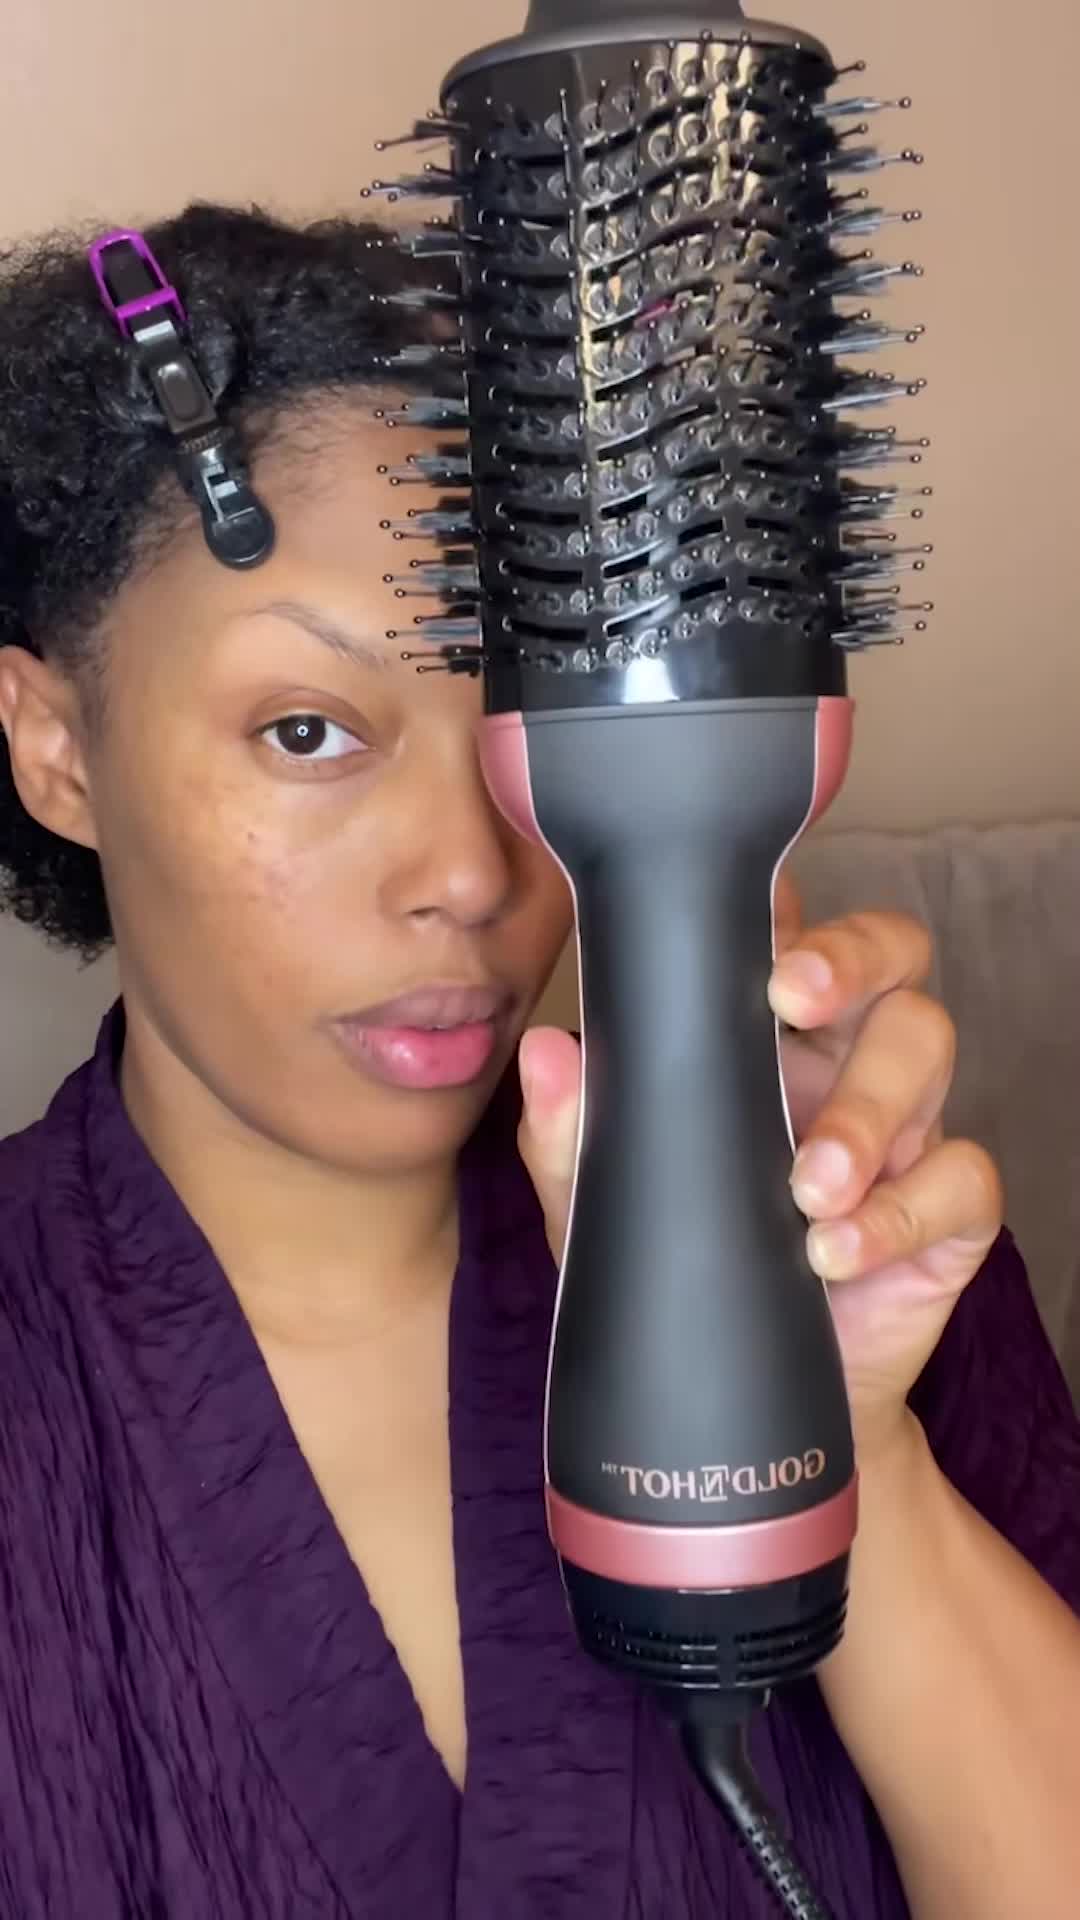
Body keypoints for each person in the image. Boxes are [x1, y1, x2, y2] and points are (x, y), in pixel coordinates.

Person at [0, 204, 1075, 1920]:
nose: (476, 871)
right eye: (308, 730)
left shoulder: (846, 1235)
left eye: (528, 734)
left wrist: (847, 1440)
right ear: (56, 747)